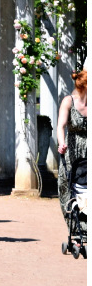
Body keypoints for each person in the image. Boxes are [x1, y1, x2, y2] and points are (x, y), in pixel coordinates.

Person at [61, 69, 87, 259]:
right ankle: (78, 231)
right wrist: (61, 143)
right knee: (70, 191)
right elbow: (61, 125)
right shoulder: (68, 101)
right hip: (72, 152)